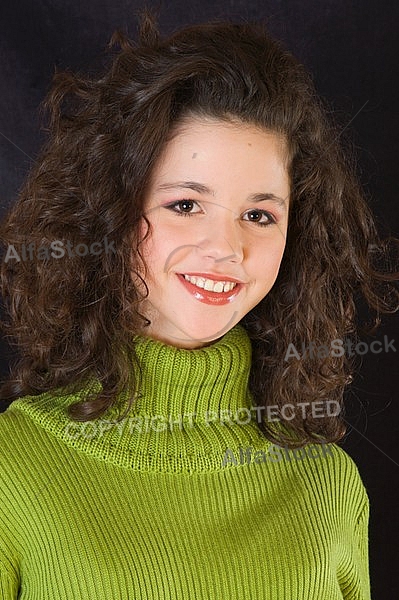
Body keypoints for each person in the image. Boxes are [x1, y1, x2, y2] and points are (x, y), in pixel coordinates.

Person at [0, 8, 397, 599]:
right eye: (185, 204)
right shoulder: (17, 466)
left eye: (259, 215)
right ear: (110, 212)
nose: (225, 248)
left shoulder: (328, 486)